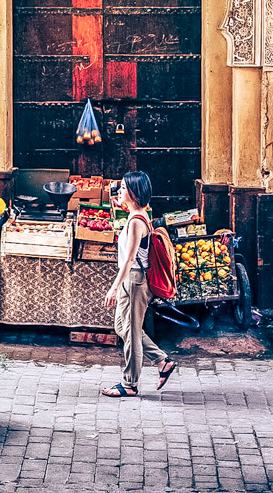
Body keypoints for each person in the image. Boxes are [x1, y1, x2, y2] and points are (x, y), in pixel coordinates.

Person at [101, 170, 177, 397]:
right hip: (130, 279)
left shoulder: (136, 222)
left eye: (124, 188)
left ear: (134, 193)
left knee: (132, 333)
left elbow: (130, 259)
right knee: (122, 327)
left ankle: (129, 384)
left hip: (135, 280)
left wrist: (114, 287)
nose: (120, 191)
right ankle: (163, 361)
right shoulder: (137, 216)